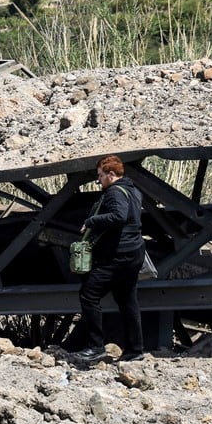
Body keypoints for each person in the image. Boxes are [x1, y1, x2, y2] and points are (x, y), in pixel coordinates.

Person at [71, 155, 146, 365]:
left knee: (89, 294)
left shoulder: (114, 192)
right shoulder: (134, 190)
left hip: (118, 255)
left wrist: (91, 220)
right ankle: (135, 349)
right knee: (127, 300)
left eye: (100, 176)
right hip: (134, 252)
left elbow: (118, 216)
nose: (99, 181)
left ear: (111, 175)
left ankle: (96, 347)